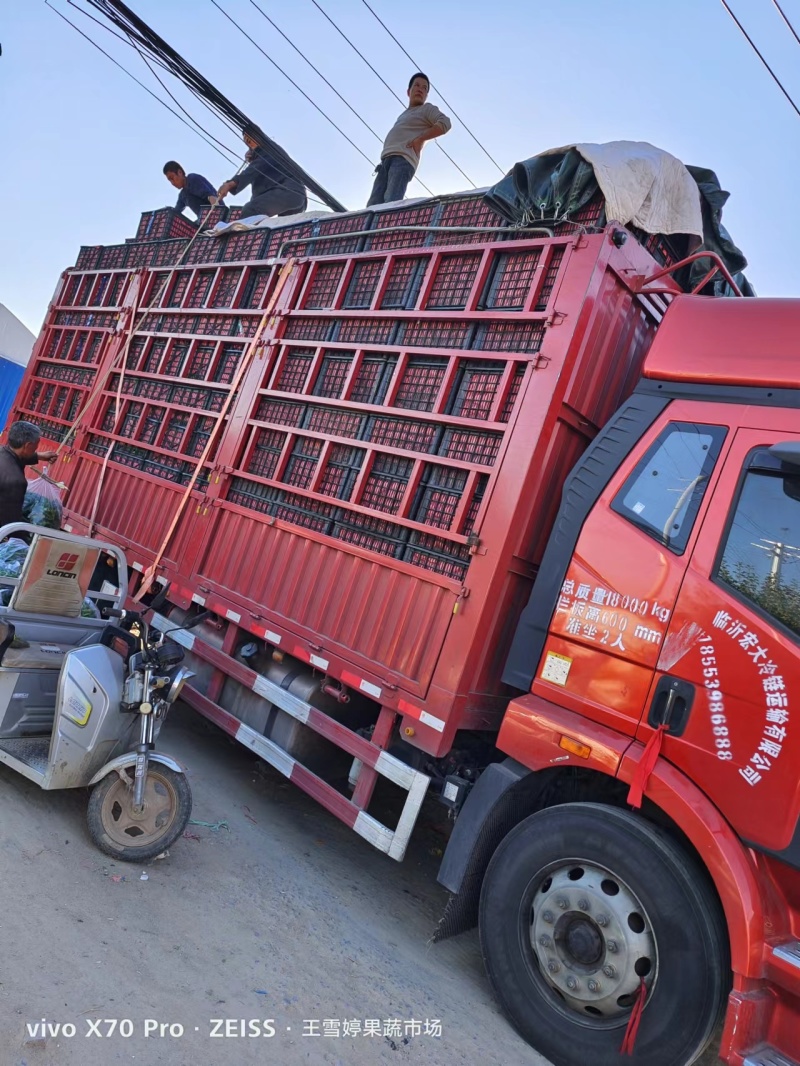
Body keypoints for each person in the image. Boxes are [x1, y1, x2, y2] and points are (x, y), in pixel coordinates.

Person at [367, 73, 451, 207]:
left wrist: (420, 139)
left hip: (402, 160)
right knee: (373, 205)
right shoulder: (404, 114)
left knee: (390, 203)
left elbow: (445, 123)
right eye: (417, 85)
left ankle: (389, 227)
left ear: (426, 95)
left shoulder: (427, 109)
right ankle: (370, 228)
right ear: (408, 91)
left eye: (424, 88)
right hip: (385, 162)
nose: (420, 89)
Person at [217, 127, 307, 219]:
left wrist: (230, 184)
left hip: (288, 191)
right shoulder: (262, 158)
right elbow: (258, 192)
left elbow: (253, 170)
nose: (249, 144)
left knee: (250, 210)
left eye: (250, 140)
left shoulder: (268, 149)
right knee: (282, 226)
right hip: (293, 196)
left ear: (259, 137)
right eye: (246, 142)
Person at [0, 422, 57, 531]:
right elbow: (10, 523)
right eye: (36, 445)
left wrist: (40, 456)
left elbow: (15, 456)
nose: (36, 448)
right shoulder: (15, 481)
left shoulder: (3, 452)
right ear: (27, 445)